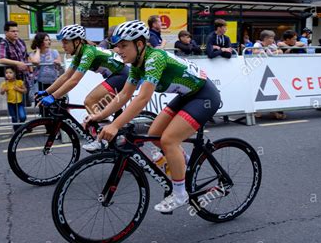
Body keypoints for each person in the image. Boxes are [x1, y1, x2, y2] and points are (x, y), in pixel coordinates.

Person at [87, 20, 221, 213]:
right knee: (155, 132)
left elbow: (142, 98)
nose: (118, 50)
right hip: (187, 95)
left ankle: (180, 194)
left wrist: (115, 125)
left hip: (205, 96)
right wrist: (100, 116)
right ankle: (182, 162)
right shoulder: (136, 65)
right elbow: (123, 95)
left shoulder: (155, 58)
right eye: (117, 46)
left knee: (168, 140)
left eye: (124, 45)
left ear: (139, 44)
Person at [38, 24, 129, 151]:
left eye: (65, 42)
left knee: (90, 101)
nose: (63, 45)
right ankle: (114, 135)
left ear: (76, 42)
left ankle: (102, 139)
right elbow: (65, 77)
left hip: (122, 75)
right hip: (116, 76)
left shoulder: (88, 52)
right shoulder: (79, 54)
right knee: (99, 107)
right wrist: (46, 92)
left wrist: (53, 96)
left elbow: (74, 80)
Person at [253, 30, 286, 120]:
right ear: (266, 38)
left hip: (271, 70)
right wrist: (268, 52)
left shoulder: (272, 45)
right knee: (258, 90)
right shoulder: (258, 45)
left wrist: (273, 52)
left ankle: (274, 110)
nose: (273, 40)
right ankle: (256, 111)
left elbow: (280, 52)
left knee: (272, 90)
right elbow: (255, 52)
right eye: (271, 38)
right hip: (259, 70)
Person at [29, 32, 62, 118]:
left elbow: (59, 61)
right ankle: (47, 124)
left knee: (54, 104)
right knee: (43, 106)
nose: (48, 42)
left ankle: (54, 125)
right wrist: (38, 50)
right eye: (46, 40)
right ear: (40, 42)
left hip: (53, 83)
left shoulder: (54, 52)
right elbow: (36, 61)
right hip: (41, 84)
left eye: (49, 40)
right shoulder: (33, 54)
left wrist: (57, 62)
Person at [0, 67, 27, 131]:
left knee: (23, 117)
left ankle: (21, 126)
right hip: (10, 103)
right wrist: (3, 90)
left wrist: (19, 89)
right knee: (14, 118)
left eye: (10, 73)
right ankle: (16, 130)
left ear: (15, 74)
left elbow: (25, 91)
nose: (8, 74)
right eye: (6, 73)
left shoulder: (20, 82)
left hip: (19, 103)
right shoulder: (4, 83)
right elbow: (1, 93)